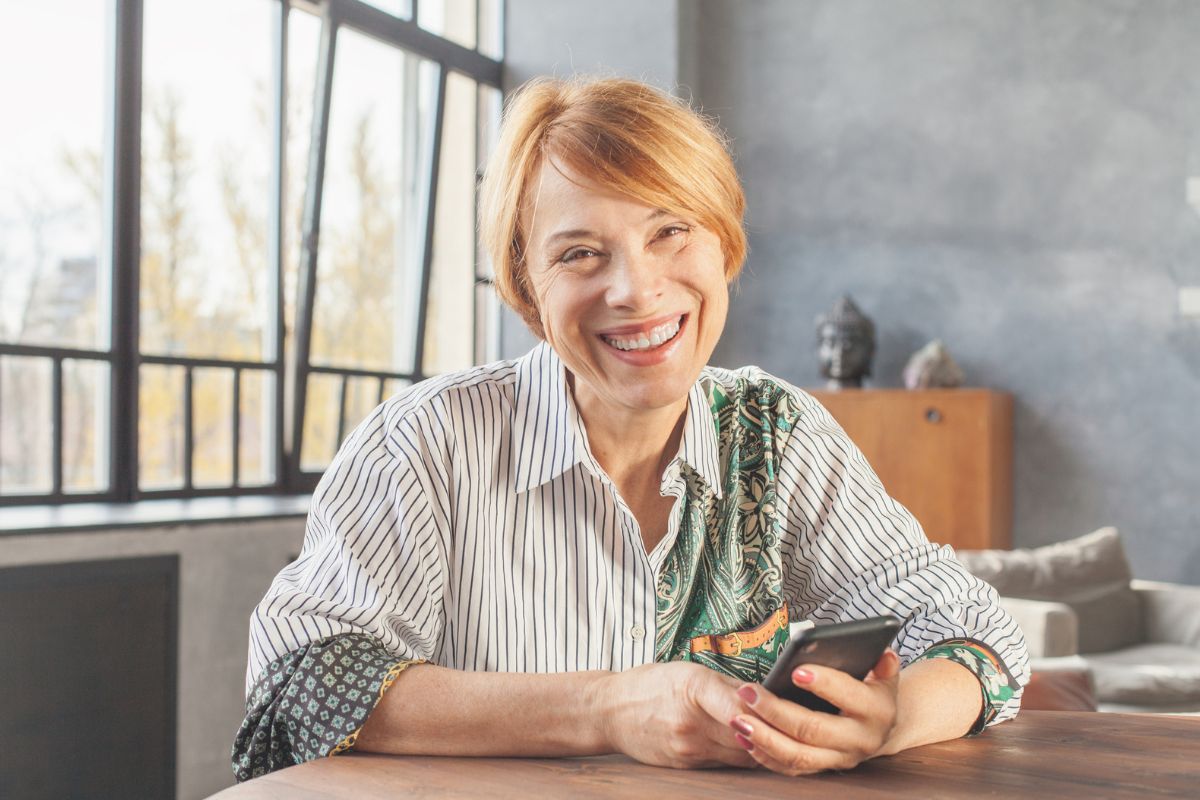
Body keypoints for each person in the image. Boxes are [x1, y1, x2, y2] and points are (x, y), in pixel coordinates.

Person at [232, 76, 1028, 781]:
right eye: (580, 253)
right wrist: (608, 709)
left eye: (670, 231)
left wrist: (892, 721)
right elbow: (298, 683)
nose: (638, 291)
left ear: (726, 245)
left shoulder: (775, 436)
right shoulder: (426, 443)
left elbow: (978, 630)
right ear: (526, 286)